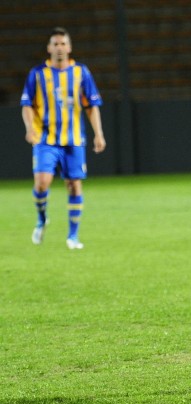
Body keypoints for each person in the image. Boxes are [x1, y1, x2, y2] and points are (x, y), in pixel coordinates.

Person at [21, 27, 106, 250]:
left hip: (74, 139)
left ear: (69, 47)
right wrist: (30, 128)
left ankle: (73, 236)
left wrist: (99, 133)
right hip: (45, 139)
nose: (59, 48)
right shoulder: (37, 74)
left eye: (62, 44)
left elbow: (91, 106)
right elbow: (27, 104)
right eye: (55, 44)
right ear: (49, 48)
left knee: (74, 186)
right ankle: (41, 219)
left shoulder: (81, 72)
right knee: (41, 184)